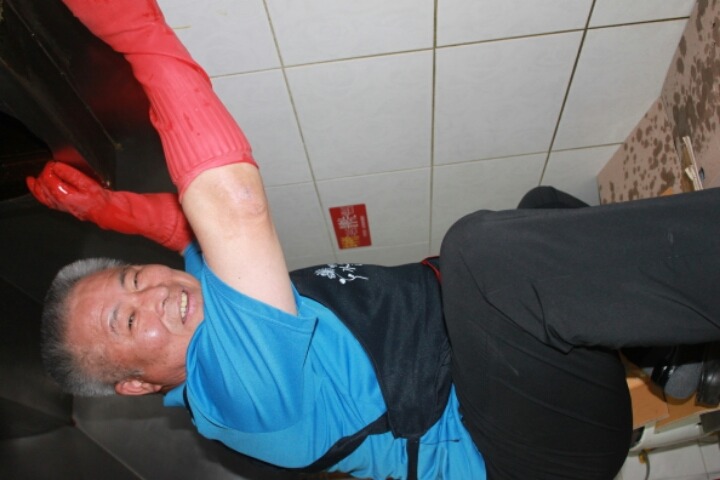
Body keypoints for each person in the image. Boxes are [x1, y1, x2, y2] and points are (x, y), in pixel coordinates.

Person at [28, 1, 720, 479]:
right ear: (139, 384)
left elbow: (187, 233)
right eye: (128, 321)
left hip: (518, 390)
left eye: (133, 279)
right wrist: (137, 30)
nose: (153, 295)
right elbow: (231, 207)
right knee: (488, 257)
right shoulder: (235, 394)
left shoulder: (210, 305)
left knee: (540, 214)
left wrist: (110, 209)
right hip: (528, 455)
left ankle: (674, 350)